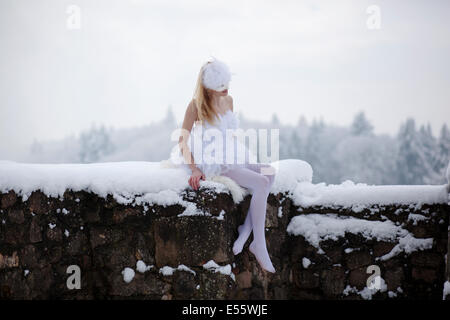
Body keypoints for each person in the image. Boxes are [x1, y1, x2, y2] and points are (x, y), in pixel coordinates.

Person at [170, 57, 276, 273]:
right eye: (220, 86)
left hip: (233, 153)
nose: (225, 89)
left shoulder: (229, 101)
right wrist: (195, 168)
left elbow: (230, 135)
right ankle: (260, 244)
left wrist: (243, 158)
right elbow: (182, 140)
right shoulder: (196, 106)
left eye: (226, 83)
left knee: (270, 172)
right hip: (215, 160)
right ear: (208, 87)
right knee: (262, 182)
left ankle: (246, 230)